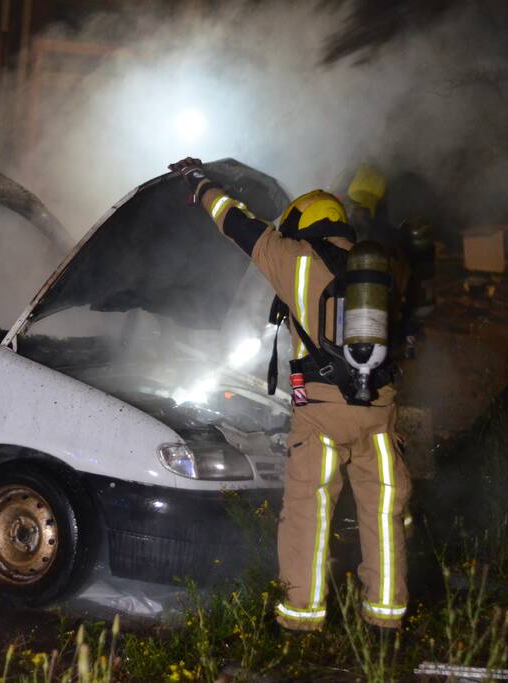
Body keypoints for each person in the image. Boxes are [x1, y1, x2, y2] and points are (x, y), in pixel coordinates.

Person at [168, 157, 412, 632]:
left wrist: (199, 184)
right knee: (384, 514)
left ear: (302, 224)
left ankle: (301, 622)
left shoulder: (293, 258)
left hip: (320, 414)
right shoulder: (377, 270)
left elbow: (235, 223)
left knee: (308, 513)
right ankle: (385, 619)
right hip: (379, 412)